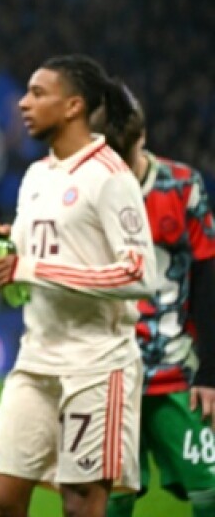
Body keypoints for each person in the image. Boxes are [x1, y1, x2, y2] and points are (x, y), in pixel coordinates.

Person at [0, 54, 157, 517]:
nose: (22, 104)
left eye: (37, 93)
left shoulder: (110, 177)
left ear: (73, 106)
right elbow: (18, 291)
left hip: (96, 363)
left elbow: (139, 273)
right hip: (35, 359)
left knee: (80, 505)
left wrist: (32, 269)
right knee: (2, 500)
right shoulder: (36, 176)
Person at [104, 94, 215, 517]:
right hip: (109, 373)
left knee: (210, 491)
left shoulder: (182, 186)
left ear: (144, 138)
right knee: (109, 498)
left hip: (176, 369)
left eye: (127, 157)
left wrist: (211, 371)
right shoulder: (89, 194)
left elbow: (208, 278)